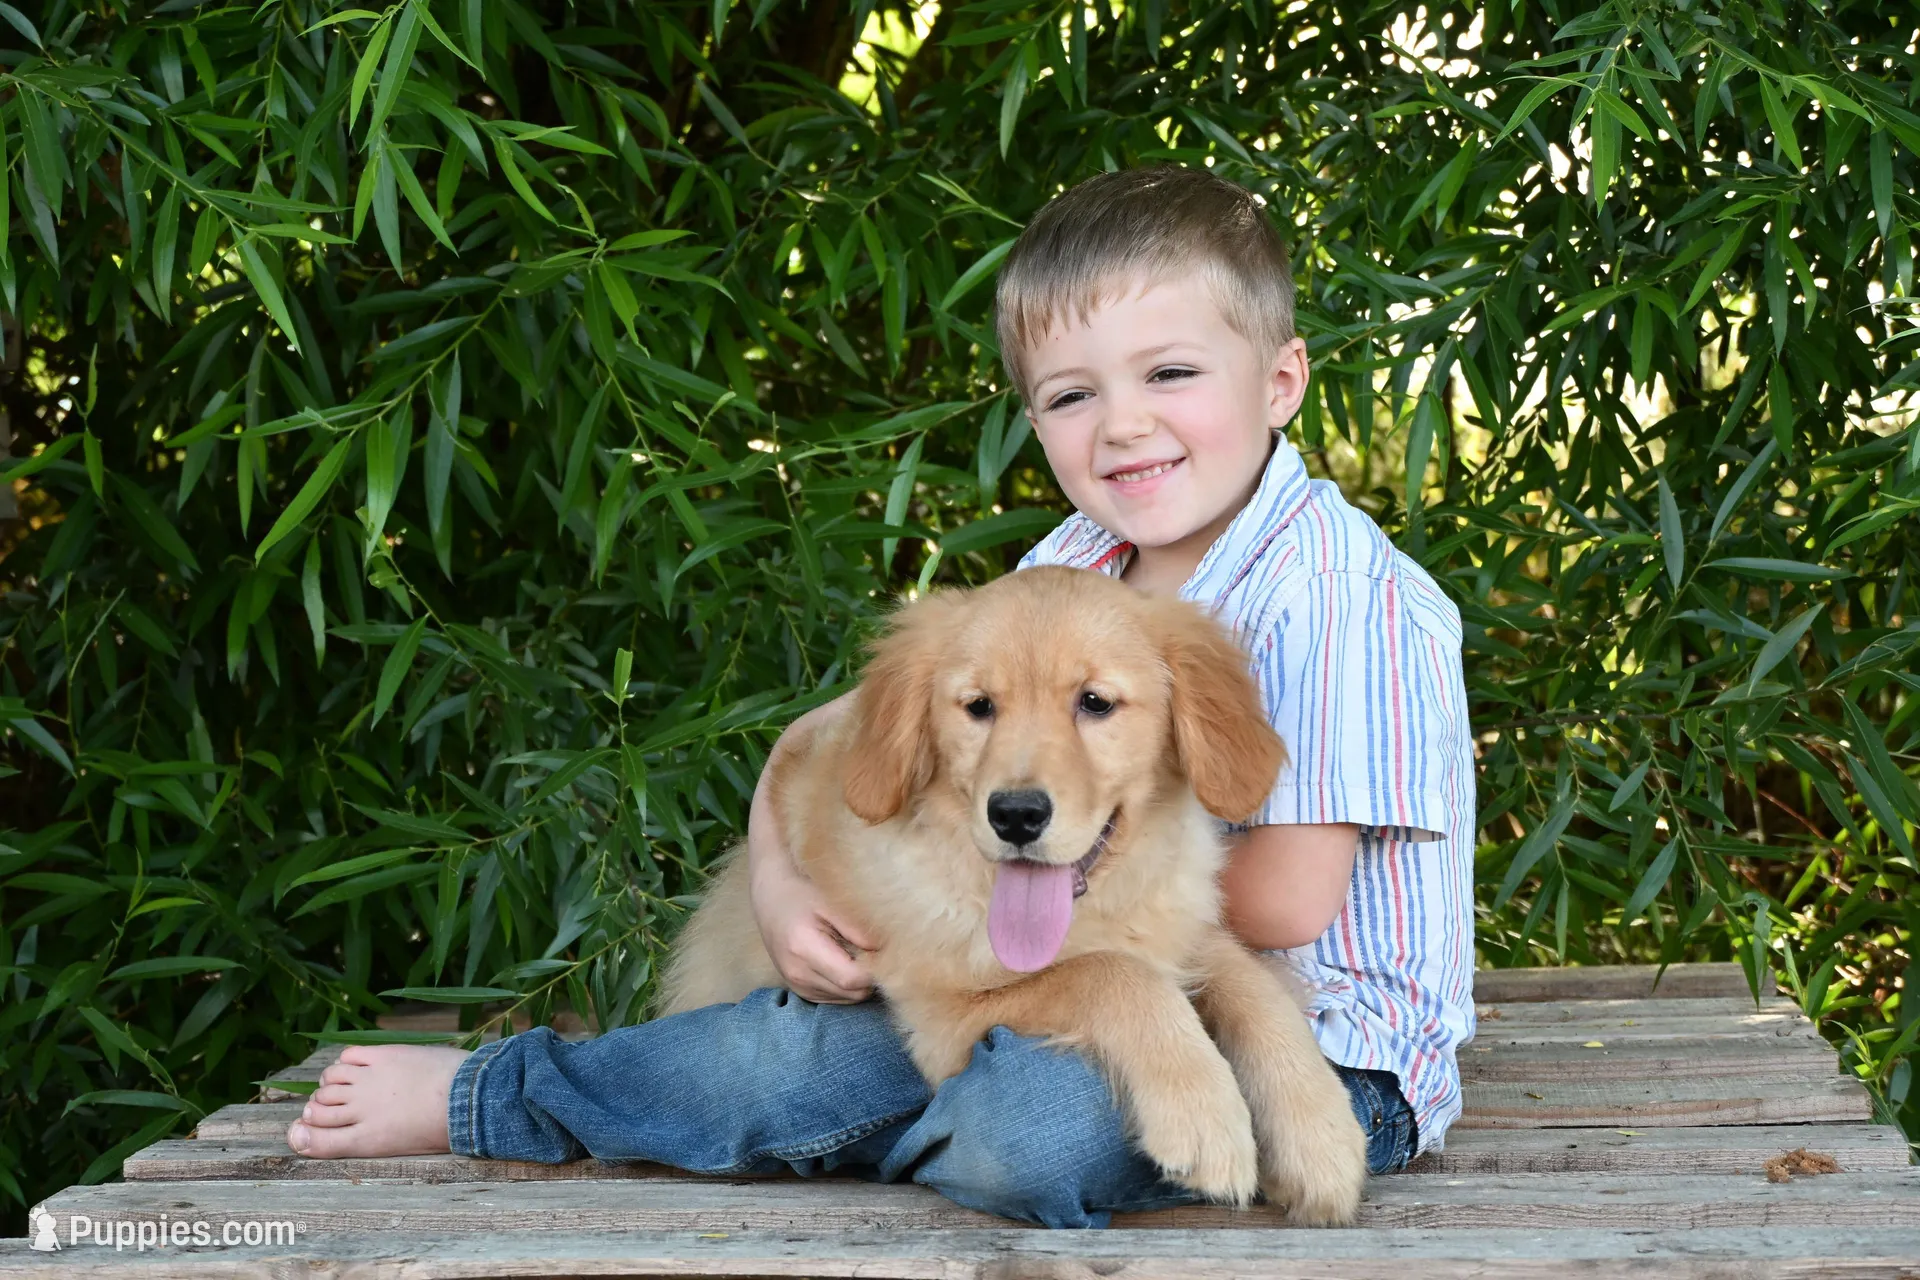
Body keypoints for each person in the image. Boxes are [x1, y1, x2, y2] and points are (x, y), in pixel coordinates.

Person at [283, 163, 1476, 1229]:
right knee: (858, 1073)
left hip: (1335, 1057)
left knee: (1006, 1123)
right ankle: (510, 1090)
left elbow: (1273, 906)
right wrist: (780, 874)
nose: (1123, 424)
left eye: (1170, 372)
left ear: (1280, 381)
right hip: (1039, 995)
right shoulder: (1070, 564)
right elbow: (835, 745)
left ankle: (805, 1108)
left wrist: (1028, 951)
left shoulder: (1341, 593)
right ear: (1033, 418)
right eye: (1070, 396)